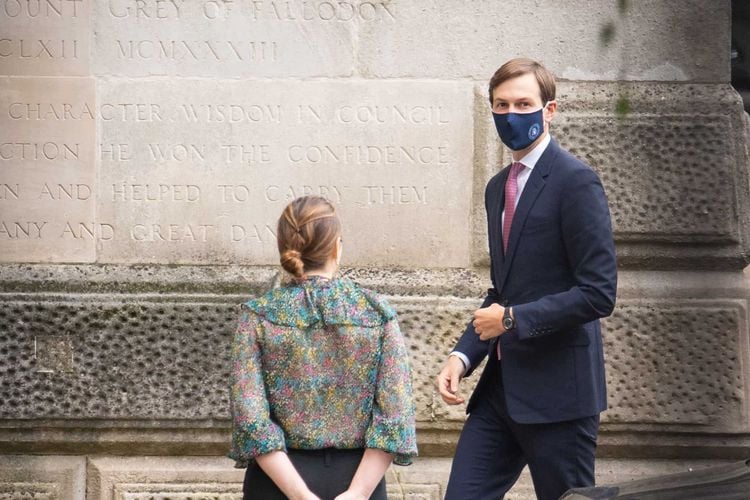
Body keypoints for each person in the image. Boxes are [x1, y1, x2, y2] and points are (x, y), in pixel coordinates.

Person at [436, 58, 618, 500]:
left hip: (560, 397)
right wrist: (462, 356)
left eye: (523, 104)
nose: (511, 115)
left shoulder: (577, 183)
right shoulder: (498, 186)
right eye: (501, 105)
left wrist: (513, 319)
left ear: (549, 110)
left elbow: (598, 293)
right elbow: (503, 290)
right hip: (500, 394)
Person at [229, 195, 417, 500]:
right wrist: (358, 493)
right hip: (358, 478)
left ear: (284, 247)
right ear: (337, 247)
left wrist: (301, 496)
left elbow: (252, 421)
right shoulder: (375, 312)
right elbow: (395, 416)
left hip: (277, 484)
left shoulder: (259, 316)